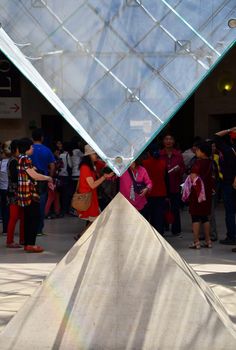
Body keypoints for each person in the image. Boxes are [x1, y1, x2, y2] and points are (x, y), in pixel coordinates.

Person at [18, 138, 52, 253]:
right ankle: (31, 244)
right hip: (30, 194)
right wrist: (48, 178)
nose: (33, 148)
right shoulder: (25, 159)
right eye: (31, 147)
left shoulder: (22, 159)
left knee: (29, 218)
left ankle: (28, 243)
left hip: (25, 193)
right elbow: (34, 176)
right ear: (27, 148)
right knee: (33, 218)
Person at [75, 144, 114, 238]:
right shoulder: (85, 167)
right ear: (89, 155)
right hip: (88, 197)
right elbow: (92, 185)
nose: (96, 155)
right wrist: (104, 177)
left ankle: (81, 236)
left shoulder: (91, 165)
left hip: (90, 197)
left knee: (94, 219)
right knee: (95, 219)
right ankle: (82, 236)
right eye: (94, 154)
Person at [182, 142, 214, 249]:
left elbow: (193, 178)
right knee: (205, 218)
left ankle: (196, 242)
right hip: (207, 194)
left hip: (197, 194)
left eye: (198, 150)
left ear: (203, 152)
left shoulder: (197, 163)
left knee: (195, 218)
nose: (196, 151)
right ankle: (208, 241)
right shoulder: (210, 162)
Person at [213, 127, 236, 251]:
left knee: (230, 212)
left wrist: (230, 129)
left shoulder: (227, 150)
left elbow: (216, 136)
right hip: (232, 182)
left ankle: (232, 236)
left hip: (228, 183)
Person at [30, 129, 55, 235]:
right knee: (41, 204)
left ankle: (31, 228)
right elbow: (52, 166)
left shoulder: (29, 149)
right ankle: (39, 229)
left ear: (32, 138)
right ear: (42, 138)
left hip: (30, 179)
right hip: (43, 180)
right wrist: (50, 177)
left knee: (31, 204)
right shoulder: (47, 150)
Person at [160, 134, 185, 236]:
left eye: (170, 139)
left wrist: (179, 170)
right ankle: (163, 227)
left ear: (173, 141)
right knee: (162, 208)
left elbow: (183, 169)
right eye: (166, 139)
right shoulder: (160, 154)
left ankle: (176, 229)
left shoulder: (178, 154)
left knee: (175, 208)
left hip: (175, 185)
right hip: (162, 185)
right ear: (163, 141)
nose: (168, 141)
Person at [142, 144, 168, 235]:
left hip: (148, 194)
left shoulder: (144, 163)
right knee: (159, 217)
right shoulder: (163, 163)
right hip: (161, 193)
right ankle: (160, 236)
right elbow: (166, 179)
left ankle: (149, 235)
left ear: (148, 153)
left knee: (147, 216)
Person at [6, 140, 24, 248]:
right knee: (14, 217)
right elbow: (14, 177)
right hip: (14, 193)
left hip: (18, 192)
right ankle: (10, 241)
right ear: (15, 150)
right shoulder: (13, 161)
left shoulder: (16, 160)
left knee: (22, 216)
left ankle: (22, 239)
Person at [0, 141, 11, 235]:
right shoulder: (12, 162)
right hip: (9, 189)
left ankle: (5, 229)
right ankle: (7, 229)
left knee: (5, 210)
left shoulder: (2, 162)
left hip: (3, 188)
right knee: (8, 210)